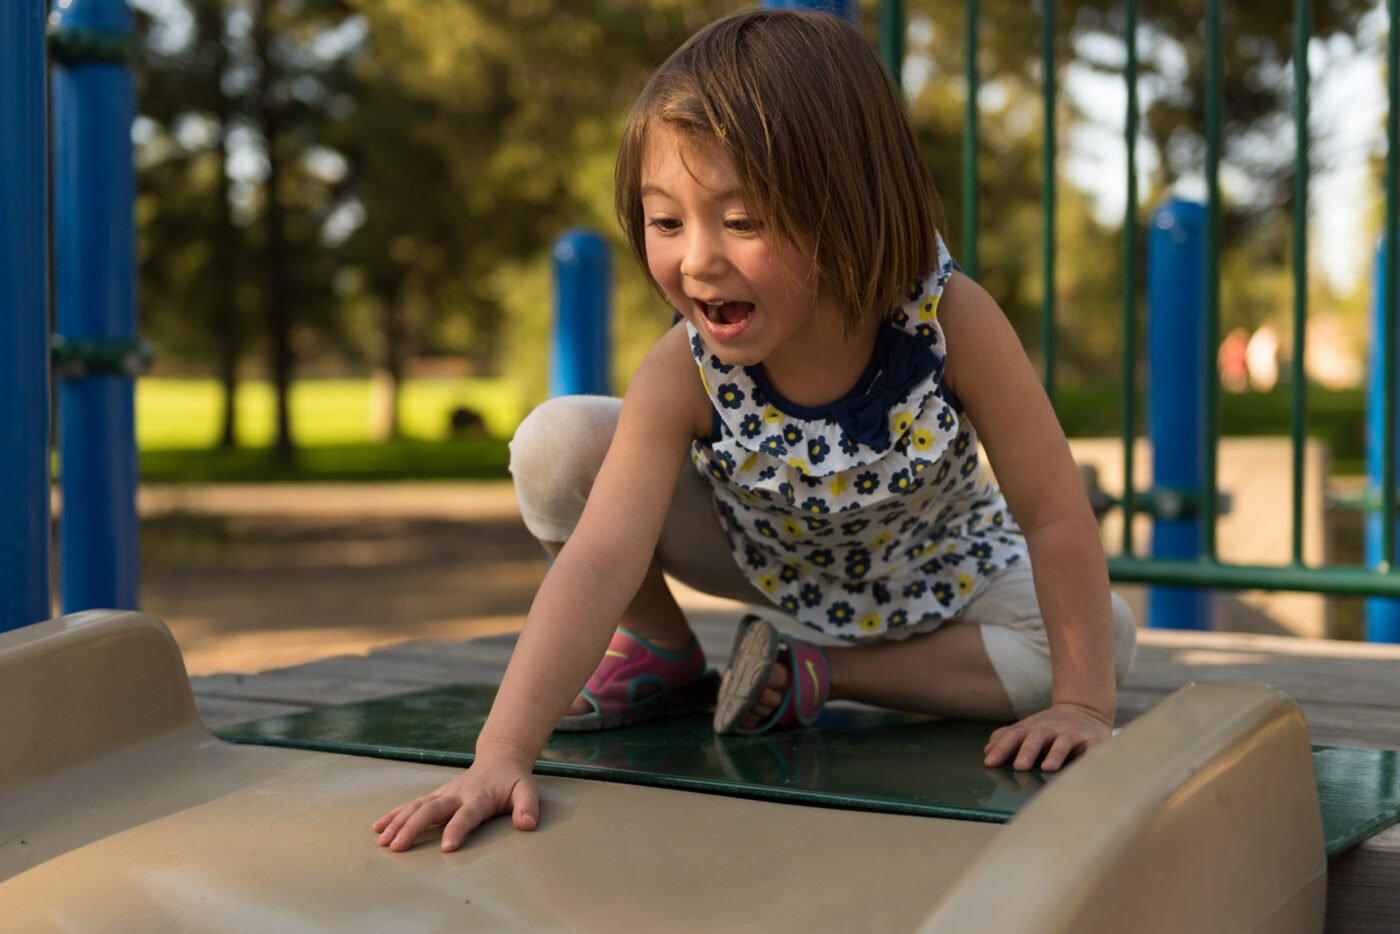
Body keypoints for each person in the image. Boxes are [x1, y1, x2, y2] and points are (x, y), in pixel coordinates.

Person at [374, 9, 1136, 854]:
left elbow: (1056, 513)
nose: (698, 260)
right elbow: (596, 559)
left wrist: (1083, 706)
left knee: (1104, 640)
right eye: (667, 222)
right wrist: (500, 752)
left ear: (850, 206)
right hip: (756, 555)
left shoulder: (950, 320)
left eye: (741, 221)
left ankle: (811, 674)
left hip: (933, 572)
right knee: (559, 446)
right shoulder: (687, 367)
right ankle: (662, 653)